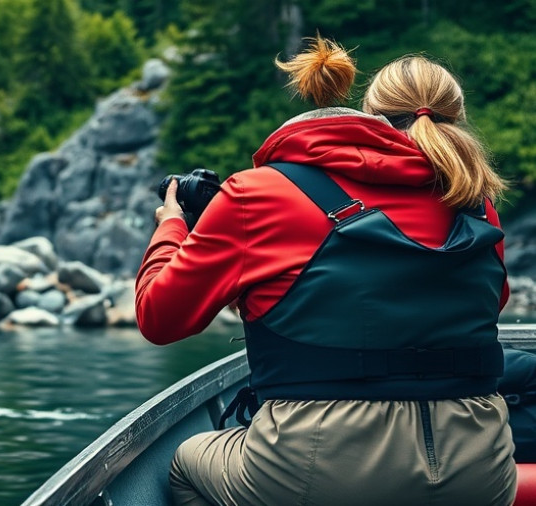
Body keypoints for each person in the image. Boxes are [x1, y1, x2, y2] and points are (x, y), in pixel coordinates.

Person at [135, 35, 517, 505]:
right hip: (481, 468)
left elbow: (159, 319)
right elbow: (491, 302)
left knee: (187, 462)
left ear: (372, 120)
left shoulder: (257, 193)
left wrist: (172, 227)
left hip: (319, 468)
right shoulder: (476, 205)